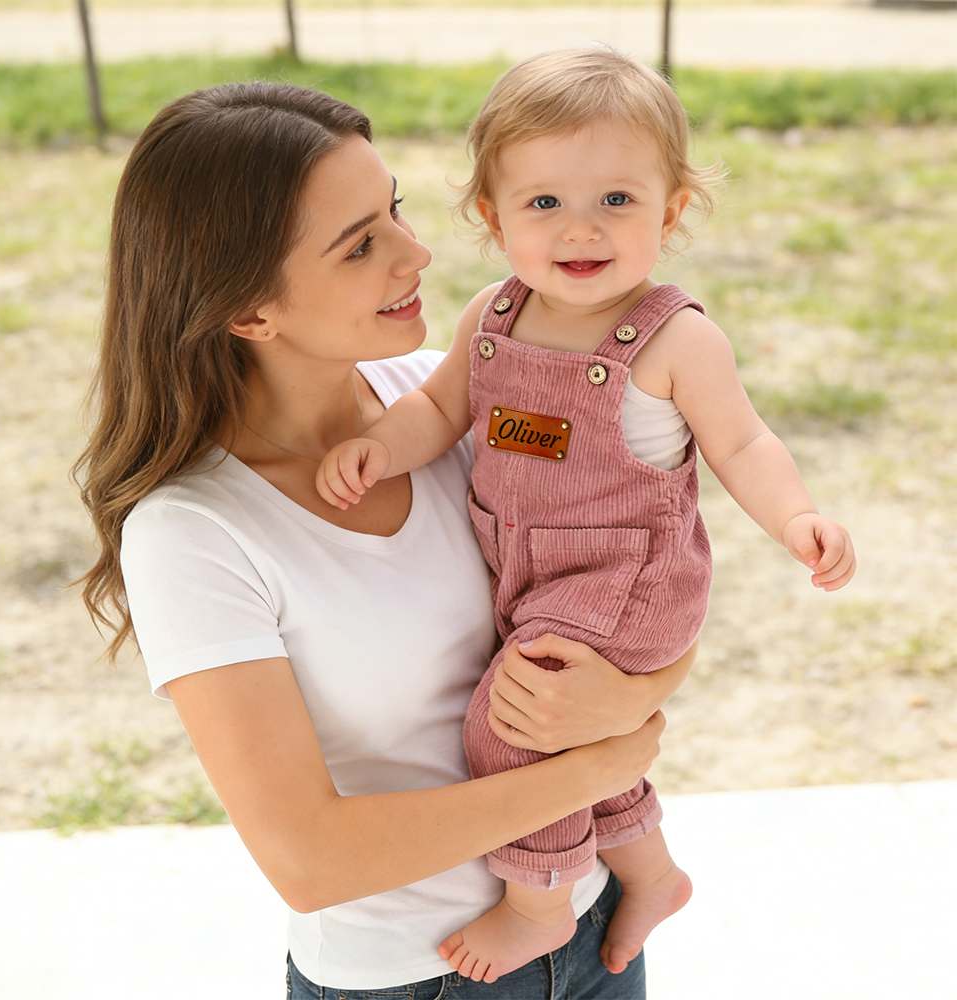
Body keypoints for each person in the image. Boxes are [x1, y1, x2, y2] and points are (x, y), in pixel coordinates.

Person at [72, 80, 703, 998]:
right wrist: (601, 763)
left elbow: (635, 585)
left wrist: (638, 696)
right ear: (250, 311)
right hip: (420, 979)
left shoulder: (462, 394)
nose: (418, 251)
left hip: (597, 929)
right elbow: (309, 859)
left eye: (394, 208)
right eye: (361, 243)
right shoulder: (193, 533)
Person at [317, 48, 857, 984]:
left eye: (617, 200)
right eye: (543, 204)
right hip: (533, 575)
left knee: (513, 722)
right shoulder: (493, 315)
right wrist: (381, 447)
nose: (582, 228)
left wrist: (797, 518)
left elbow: (742, 446)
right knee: (569, 727)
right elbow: (442, 409)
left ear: (671, 211)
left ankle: (539, 902)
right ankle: (648, 871)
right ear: (491, 215)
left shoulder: (673, 337)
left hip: (629, 579)